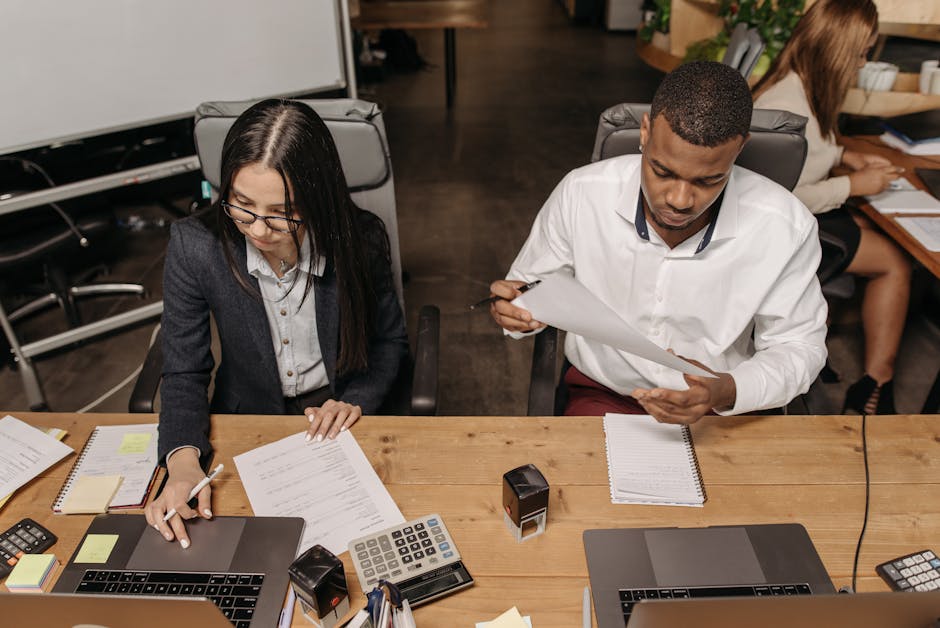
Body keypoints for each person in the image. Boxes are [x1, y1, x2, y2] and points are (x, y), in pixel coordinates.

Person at [489, 61, 827, 424]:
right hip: (605, 396)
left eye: (708, 181)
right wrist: (517, 309)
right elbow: (528, 291)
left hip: (722, 409)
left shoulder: (786, 226)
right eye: (662, 172)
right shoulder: (581, 193)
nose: (680, 200)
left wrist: (725, 390)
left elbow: (799, 347)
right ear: (645, 132)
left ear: (740, 148)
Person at [146, 99, 409, 547]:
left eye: (282, 213)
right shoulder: (196, 246)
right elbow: (185, 370)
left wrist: (356, 399)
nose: (259, 230)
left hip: (338, 415)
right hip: (246, 418)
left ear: (317, 199)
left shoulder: (360, 239)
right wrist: (184, 461)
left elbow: (389, 342)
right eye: (242, 206)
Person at [753, 0, 911, 415]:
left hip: (797, 222)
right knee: (895, 262)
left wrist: (845, 156)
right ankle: (875, 387)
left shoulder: (796, 86)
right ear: (838, 51)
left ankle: (814, 342)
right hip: (786, 232)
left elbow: (802, 157)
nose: (862, 64)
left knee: (864, 221)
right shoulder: (789, 105)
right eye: (861, 53)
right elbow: (783, 194)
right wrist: (852, 183)